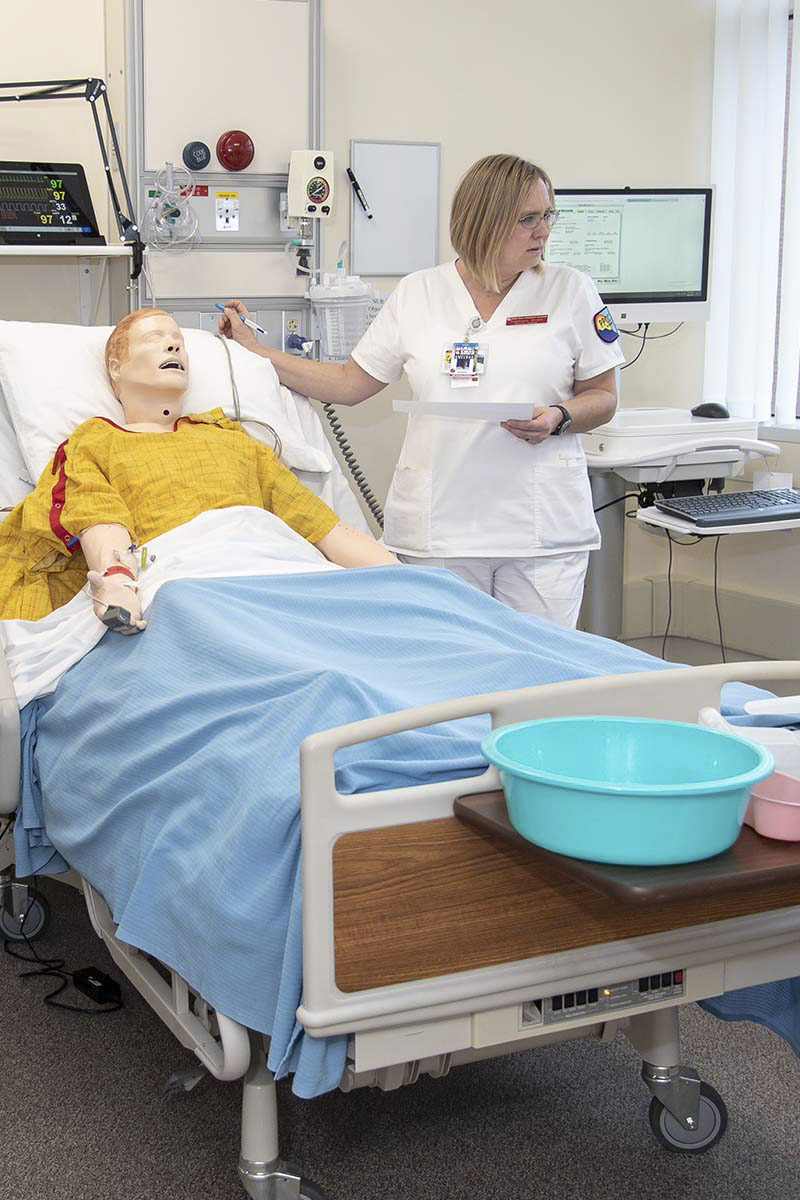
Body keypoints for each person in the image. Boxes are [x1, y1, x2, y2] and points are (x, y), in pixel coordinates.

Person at [218, 154, 624, 628]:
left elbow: (603, 396)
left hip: (540, 531)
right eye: (527, 220)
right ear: (484, 222)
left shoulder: (570, 291)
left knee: (537, 678)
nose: (543, 232)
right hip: (439, 529)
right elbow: (349, 385)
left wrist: (559, 417)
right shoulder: (419, 293)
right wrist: (255, 351)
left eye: (547, 216)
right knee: (445, 674)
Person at [0, 308, 397, 633]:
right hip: (186, 583)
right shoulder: (96, 440)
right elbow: (98, 518)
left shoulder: (233, 438)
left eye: (178, 340)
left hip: (283, 575)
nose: (173, 343)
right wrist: (119, 581)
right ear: (116, 369)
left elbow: (323, 527)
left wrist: (404, 578)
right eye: (154, 338)